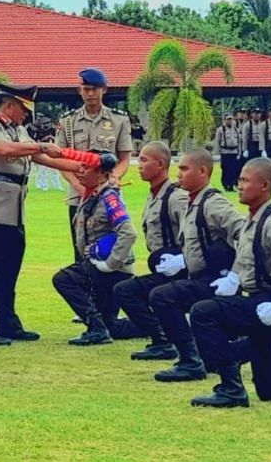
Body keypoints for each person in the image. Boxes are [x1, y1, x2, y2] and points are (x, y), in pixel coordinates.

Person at [189, 158, 271, 408]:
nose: (239, 185)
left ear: (265, 185)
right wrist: (234, 277)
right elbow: (248, 256)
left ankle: (230, 387)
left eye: (245, 180)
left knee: (204, 313)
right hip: (259, 300)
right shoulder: (253, 218)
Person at [0, 82, 83, 345]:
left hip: (13, 207)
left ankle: (7, 322)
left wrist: (87, 165)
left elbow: (48, 159)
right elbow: (4, 150)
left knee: (10, 267)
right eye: (23, 109)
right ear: (9, 105)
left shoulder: (16, 129)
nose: (26, 116)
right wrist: (41, 146)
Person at [148, 149, 247, 383]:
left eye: (184, 169)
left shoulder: (213, 204)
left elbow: (246, 234)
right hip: (199, 277)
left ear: (203, 171)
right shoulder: (194, 202)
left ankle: (191, 361)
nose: (178, 174)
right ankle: (204, 355)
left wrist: (235, 275)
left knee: (163, 297)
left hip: (215, 279)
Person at [53, 151, 136, 345]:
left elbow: (129, 233)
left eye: (85, 168)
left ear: (101, 174)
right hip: (102, 269)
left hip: (110, 270)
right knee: (112, 326)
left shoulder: (109, 199)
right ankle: (156, 323)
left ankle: (96, 328)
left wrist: (111, 263)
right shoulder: (91, 195)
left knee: (64, 279)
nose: (79, 172)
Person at [114, 141, 188, 361]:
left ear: (161, 164)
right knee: (125, 290)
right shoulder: (154, 194)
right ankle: (162, 338)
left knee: (128, 291)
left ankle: (165, 339)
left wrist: (183, 260)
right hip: (162, 269)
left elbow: (195, 234)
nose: (139, 164)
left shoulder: (176, 197)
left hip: (180, 269)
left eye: (145, 160)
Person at [55, 68, 133, 262]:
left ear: (104, 90)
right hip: (79, 197)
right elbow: (61, 160)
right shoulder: (68, 121)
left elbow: (124, 158)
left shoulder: (119, 120)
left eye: (95, 89)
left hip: (108, 197)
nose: (90, 94)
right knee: (81, 252)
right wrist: (80, 186)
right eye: (86, 89)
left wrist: (113, 178)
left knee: (110, 249)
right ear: (79, 90)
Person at [214, 114, 241, 192]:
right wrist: (217, 153)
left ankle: (232, 185)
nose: (230, 121)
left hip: (234, 152)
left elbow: (239, 142)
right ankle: (226, 184)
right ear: (225, 120)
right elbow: (217, 142)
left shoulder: (236, 130)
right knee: (225, 169)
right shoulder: (221, 130)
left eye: (231, 119)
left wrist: (239, 152)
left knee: (234, 170)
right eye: (228, 119)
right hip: (225, 152)